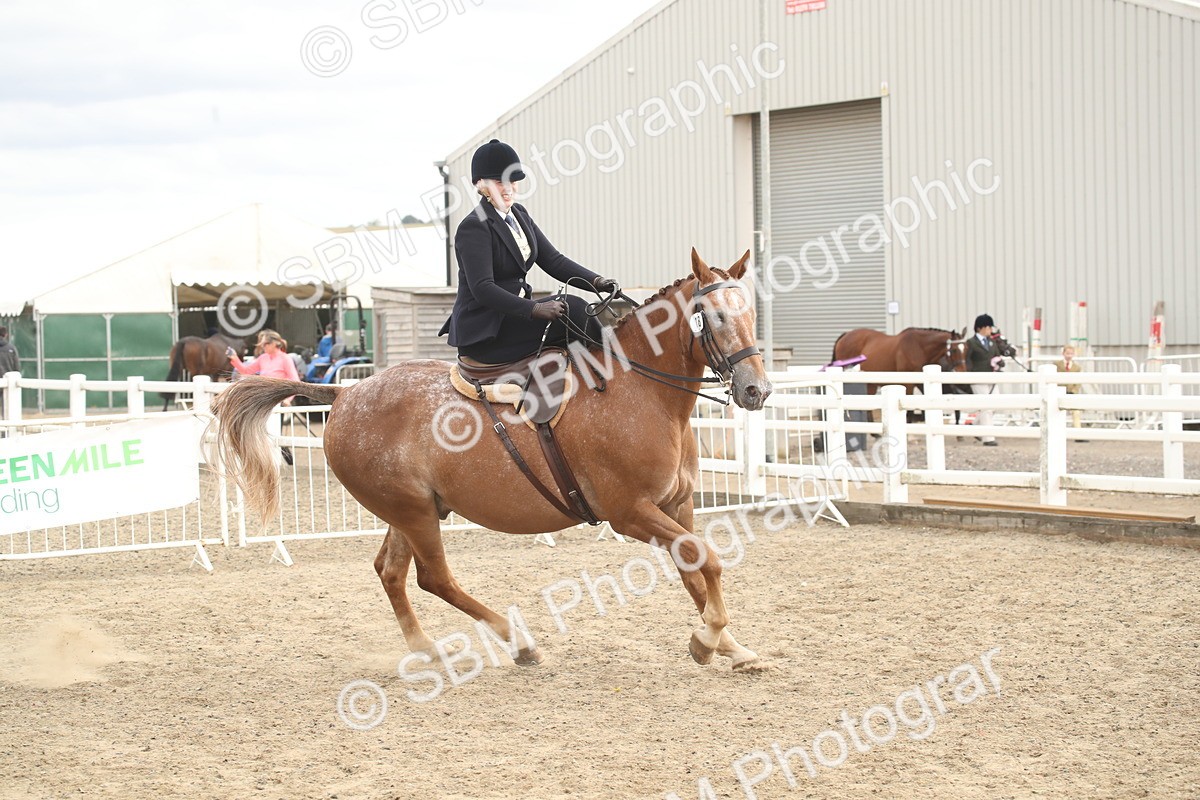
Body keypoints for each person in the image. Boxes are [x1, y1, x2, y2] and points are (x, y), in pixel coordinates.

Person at [438, 138, 618, 364]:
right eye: (497, 181)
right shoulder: (473, 226)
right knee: (573, 308)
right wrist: (535, 308)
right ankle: (617, 365)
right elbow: (483, 288)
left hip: (514, 320)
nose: (507, 187)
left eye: (512, 180)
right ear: (480, 185)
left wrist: (597, 282)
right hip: (487, 332)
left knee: (574, 310)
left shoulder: (519, 214)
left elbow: (554, 261)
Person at [965, 314, 1003, 446]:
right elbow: (967, 360)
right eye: (988, 327)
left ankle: (976, 427)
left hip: (992, 377)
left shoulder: (992, 342)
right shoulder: (971, 343)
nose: (990, 330)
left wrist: (999, 362)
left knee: (996, 404)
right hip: (978, 378)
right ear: (980, 328)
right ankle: (988, 438)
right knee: (986, 407)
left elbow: (997, 355)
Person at [228, 329, 299, 389]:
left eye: (265, 344)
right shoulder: (263, 358)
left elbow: (295, 380)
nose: (262, 346)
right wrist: (235, 358)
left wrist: (287, 399)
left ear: (274, 343)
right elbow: (246, 371)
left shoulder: (285, 358)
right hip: (264, 396)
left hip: (279, 397)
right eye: (262, 344)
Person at [1055, 344, 1085, 435]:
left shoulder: (1077, 368)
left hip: (1071, 392)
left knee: (1076, 412)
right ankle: (1056, 433)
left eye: (1071, 353)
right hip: (1059, 392)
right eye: (1067, 353)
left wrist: (1074, 391)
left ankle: (1078, 433)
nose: (1069, 355)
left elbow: (1078, 382)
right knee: (1055, 412)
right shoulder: (1056, 365)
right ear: (1063, 353)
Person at [0, 326, 19, 418]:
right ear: (6, 334)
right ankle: (6, 430)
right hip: (9, 382)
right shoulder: (11, 348)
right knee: (7, 409)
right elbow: (16, 366)